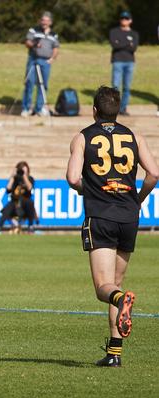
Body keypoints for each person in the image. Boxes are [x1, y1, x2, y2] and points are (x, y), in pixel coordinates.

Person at [66, 86, 158, 367]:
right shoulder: (135, 136)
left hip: (101, 215)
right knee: (115, 283)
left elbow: (72, 178)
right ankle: (114, 354)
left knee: (104, 288)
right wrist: (137, 199)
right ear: (117, 110)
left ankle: (122, 300)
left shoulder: (83, 137)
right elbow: (153, 173)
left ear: (94, 110)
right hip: (129, 217)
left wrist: (89, 190)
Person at [21, 12, 59, 117]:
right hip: (33, 59)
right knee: (29, 83)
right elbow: (27, 42)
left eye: (47, 20)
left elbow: (56, 48)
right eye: (43, 20)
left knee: (43, 85)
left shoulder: (54, 34)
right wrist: (34, 44)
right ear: (40, 21)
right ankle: (26, 108)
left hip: (45, 62)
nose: (44, 22)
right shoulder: (33, 30)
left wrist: (52, 59)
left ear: (50, 22)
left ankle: (39, 108)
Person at [109, 11, 139, 116]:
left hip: (130, 62)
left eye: (126, 18)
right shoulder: (114, 32)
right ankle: (113, 109)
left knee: (127, 87)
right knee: (115, 87)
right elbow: (114, 45)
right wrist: (128, 43)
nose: (124, 20)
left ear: (130, 20)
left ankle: (123, 108)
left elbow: (134, 47)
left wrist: (121, 43)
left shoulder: (134, 34)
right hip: (117, 61)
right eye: (122, 18)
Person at [0, 161, 37, 233]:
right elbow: (8, 189)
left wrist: (24, 176)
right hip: (15, 203)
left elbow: (30, 188)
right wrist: (12, 177)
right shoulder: (15, 179)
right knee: (9, 206)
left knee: (29, 202)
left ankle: (31, 226)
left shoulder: (30, 179)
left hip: (25, 205)